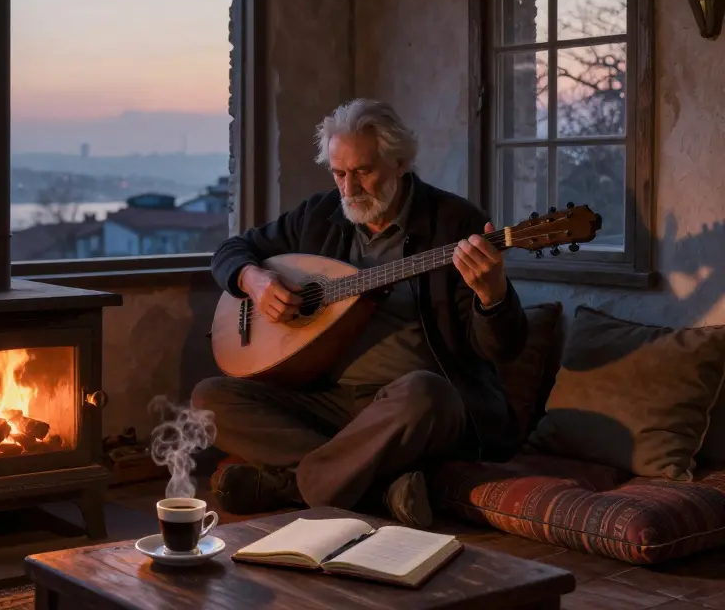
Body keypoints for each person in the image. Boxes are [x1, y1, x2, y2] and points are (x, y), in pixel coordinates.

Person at [192, 98, 528, 528]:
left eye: (364, 172)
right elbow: (232, 250)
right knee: (208, 399)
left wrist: (492, 295)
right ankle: (376, 488)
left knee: (429, 393)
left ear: (400, 162)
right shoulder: (319, 216)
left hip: (404, 410)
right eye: (339, 173)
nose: (349, 189)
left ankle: (293, 484)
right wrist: (253, 279)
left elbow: (501, 349)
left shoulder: (454, 223)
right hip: (326, 400)